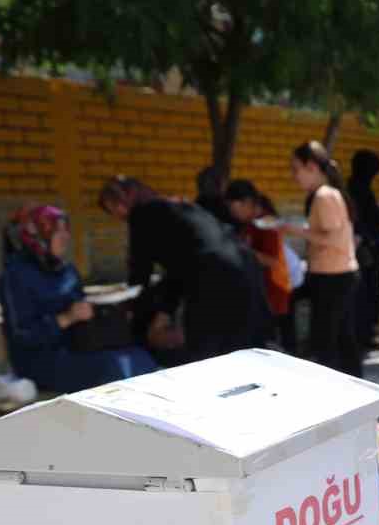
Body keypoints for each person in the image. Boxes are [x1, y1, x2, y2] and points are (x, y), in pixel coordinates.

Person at [98, 176, 273, 364]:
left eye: (114, 206)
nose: (117, 213)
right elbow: (180, 266)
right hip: (244, 265)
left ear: (125, 199)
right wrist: (164, 312)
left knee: (207, 357)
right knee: (244, 354)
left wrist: (135, 314)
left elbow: (140, 275)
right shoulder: (174, 209)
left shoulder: (141, 214)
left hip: (214, 275)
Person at [0, 203, 157, 392]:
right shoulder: (15, 275)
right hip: (39, 361)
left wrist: (106, 304)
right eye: (58, 232)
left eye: (67, 230)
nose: (66, 237)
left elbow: (80, 307)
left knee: (139, 356)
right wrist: (66, 318)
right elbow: (22, 335)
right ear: (38, 237)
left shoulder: (66, 271)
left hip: (77, 348)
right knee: (115, 367)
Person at [279, 141, 362, 377]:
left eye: (296, 169)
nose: (294, 176)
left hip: (332, 277)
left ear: (312, 166)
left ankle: (339, 397)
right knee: (343, 340)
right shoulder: (327, 194)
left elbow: (334, 238)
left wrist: (294, 230)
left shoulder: (324, 195)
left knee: (327, 344)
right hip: (335, 275)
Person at [224, 180, 297, 354]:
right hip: (260, 292)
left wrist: (238, 248)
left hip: (274, 291)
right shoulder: (248, 224)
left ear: (246, 203)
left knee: (271, 347)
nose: (232, 213)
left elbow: (272, 261)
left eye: (234, 208)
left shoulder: (266, 224)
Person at [347, 149, 379, 354]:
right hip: (365, 251)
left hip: (369, 249)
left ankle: (369, 334)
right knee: (365, 293)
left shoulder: (358, 187)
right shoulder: (357, 190)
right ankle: (364, 336)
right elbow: (360, 221)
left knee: (369, 293)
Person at [195, 166, 239, 231]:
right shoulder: (224, 209)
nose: (228, 185)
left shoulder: (196, 206)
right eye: (225, 181)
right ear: (218, 184)